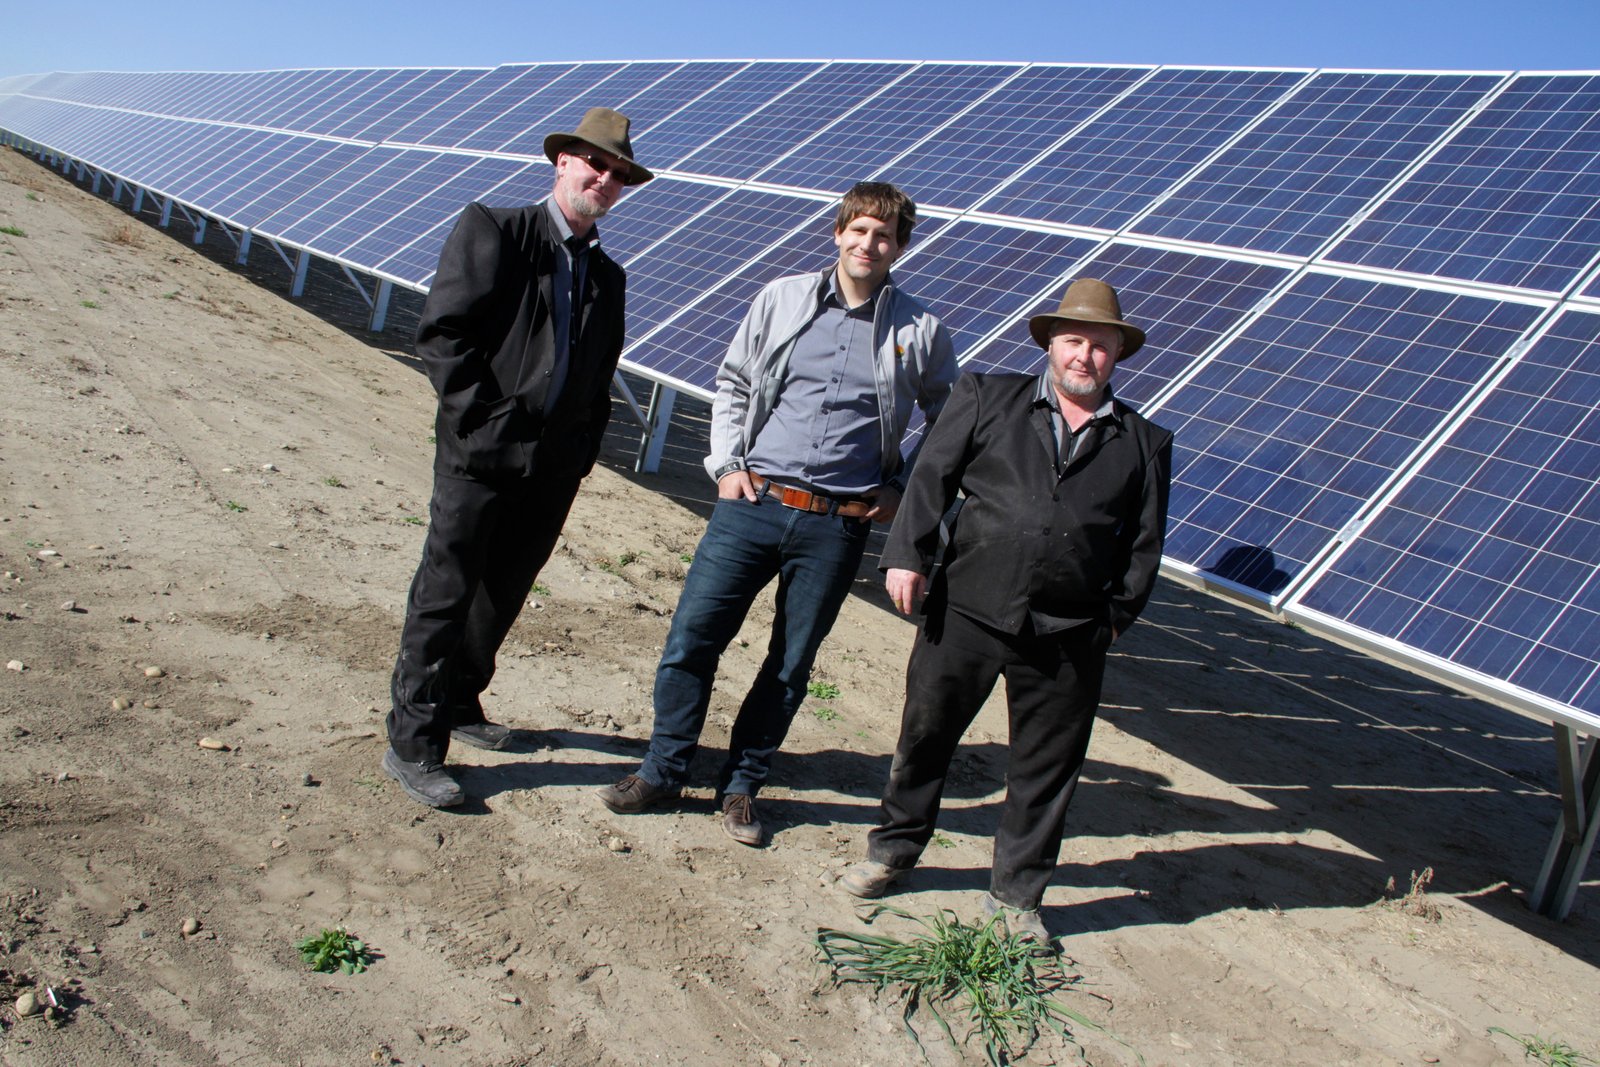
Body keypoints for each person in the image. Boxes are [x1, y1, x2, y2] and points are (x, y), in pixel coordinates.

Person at [597, 181, 959, 846]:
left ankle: (740, 787)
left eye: (884, 235)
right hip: (754, 505)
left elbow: (950, 421)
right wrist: (727, 465)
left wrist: (902, 485)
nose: (868, 244)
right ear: (838, 233)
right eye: (858, 230)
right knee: (692, 641)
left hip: (837, 524)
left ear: (901, 247)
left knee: (790, 665)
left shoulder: (921, 331)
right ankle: (664, 766)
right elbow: (734, 381)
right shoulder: (782, 298)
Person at [839, 278, 1173, 942]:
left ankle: (1017, 895)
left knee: (1045, 769)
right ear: (1051, 343)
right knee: (926, 735)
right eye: (1074, 341)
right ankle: (893, 848)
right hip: (966, 608)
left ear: (1117, 357)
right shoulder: (988, 396)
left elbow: (1144, 544)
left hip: (1070, 634)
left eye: (1100, 346)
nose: (1085, 356)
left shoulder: (1144, 442)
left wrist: (1113, 619)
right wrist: (906, 554)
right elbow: (931, 473)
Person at [383, 108, 652, 807]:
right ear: (562, 162)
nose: (606, 178)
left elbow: (596, 378)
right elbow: (444, 336)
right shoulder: (497, 230)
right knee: (445, 594)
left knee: (500, 594)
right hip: (481, 456)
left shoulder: (608, 277)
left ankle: (462, 706)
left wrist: (580, 453)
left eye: (619, 173)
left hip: (553, 471)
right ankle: (413, 744)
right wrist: (486, 428)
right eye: (596, 163)